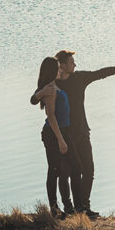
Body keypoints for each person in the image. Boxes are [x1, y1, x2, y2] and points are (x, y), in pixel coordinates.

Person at [32, 50, 115, 218]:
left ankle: (83, 206)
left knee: (88, 170)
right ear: (61, 65)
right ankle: (68, 207)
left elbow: (102, 73)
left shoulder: (80, 78)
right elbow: (36, 99)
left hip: (81, 133)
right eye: (71, 62)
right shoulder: (53, 83)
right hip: (62, 133)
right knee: (64, 173)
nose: (75, 65)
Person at [31, 57, 83, 219]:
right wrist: (61, 140)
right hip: (54, 134)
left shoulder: (53, 86)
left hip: (64, 131)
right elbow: (51, 116)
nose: (61, 69)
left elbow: (34, 98)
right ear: (53, 70)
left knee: (76, 168)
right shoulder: (50, 89)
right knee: (55, 170)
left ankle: (77, 209)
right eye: (58, 67)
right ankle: (55, 209)